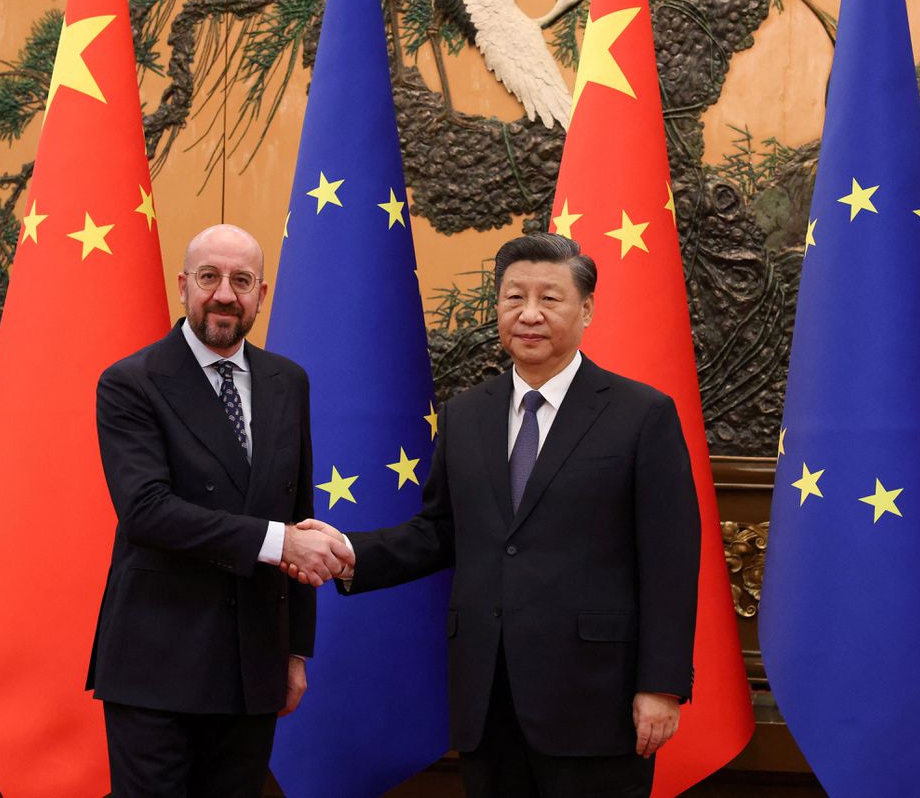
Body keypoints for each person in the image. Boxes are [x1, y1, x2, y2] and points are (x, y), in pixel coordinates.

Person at [292, 233, 700, 797]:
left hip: (595, 699)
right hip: (487, 696)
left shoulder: (641, 414)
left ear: (586, 309)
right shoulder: (465, 415)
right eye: (514, 298)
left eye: (549, 298)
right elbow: (439, 531)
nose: (529, 314)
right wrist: (349, 553)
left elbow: (671, 560)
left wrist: (662, 685)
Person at [88, 224, 353, 797]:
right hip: (157, 664)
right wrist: (280, 543)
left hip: (253, 660)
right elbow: (148, 512)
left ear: (263, 293)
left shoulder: (288, 382)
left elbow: (298, 513)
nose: (225, 294)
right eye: (209, 277)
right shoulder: (131, 382)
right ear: (183, 287)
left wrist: (295, 651)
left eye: (241, 280)